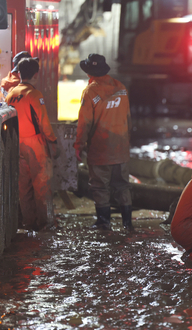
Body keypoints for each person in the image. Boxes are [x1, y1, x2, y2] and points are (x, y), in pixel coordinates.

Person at [74, 54, 134, 231]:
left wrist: (79, 145)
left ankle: (103, 222)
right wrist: (126, 140)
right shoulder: (120, 87)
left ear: (88, 73)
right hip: (121, 147)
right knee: (122, 186)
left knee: (100, 187)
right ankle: (128, 224)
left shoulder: (91, 91)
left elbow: (84, 123)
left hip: (101, 149)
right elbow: (128, 119)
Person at [5, 58, 58, 230]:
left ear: (19, 73)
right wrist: (53, 141)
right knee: (41, 184)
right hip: (35, 144)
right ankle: (44, 223)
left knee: (23, 186)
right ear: (36, 74)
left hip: (16, 143)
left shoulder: (10, 94)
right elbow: (43, 122)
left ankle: (29, 222)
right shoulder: (34, 95)